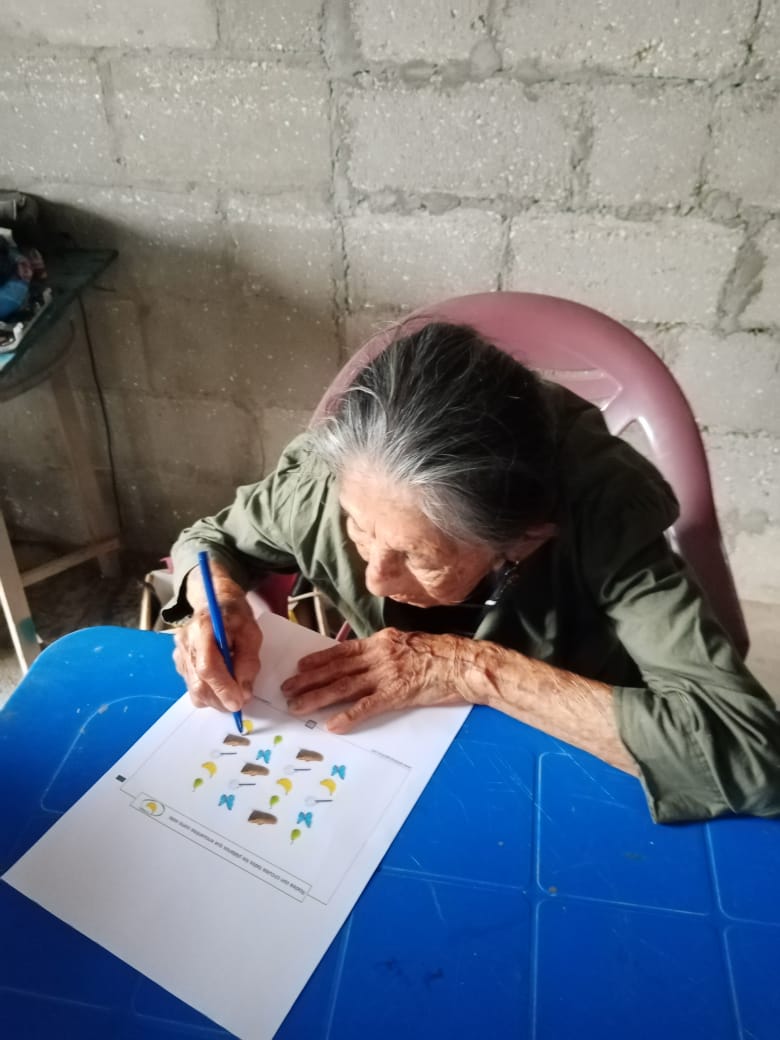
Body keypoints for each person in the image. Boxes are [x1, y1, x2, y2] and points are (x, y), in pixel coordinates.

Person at [165, 321, 780, 824]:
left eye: (420, 556)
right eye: (359, 528)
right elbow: (209, 540)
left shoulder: (602, 514)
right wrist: (218, 598)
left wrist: (474, 669)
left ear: (524, 539)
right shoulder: (334, 484)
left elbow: (750, 753)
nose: (375, 578)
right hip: (407, 760)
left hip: (568, 764)